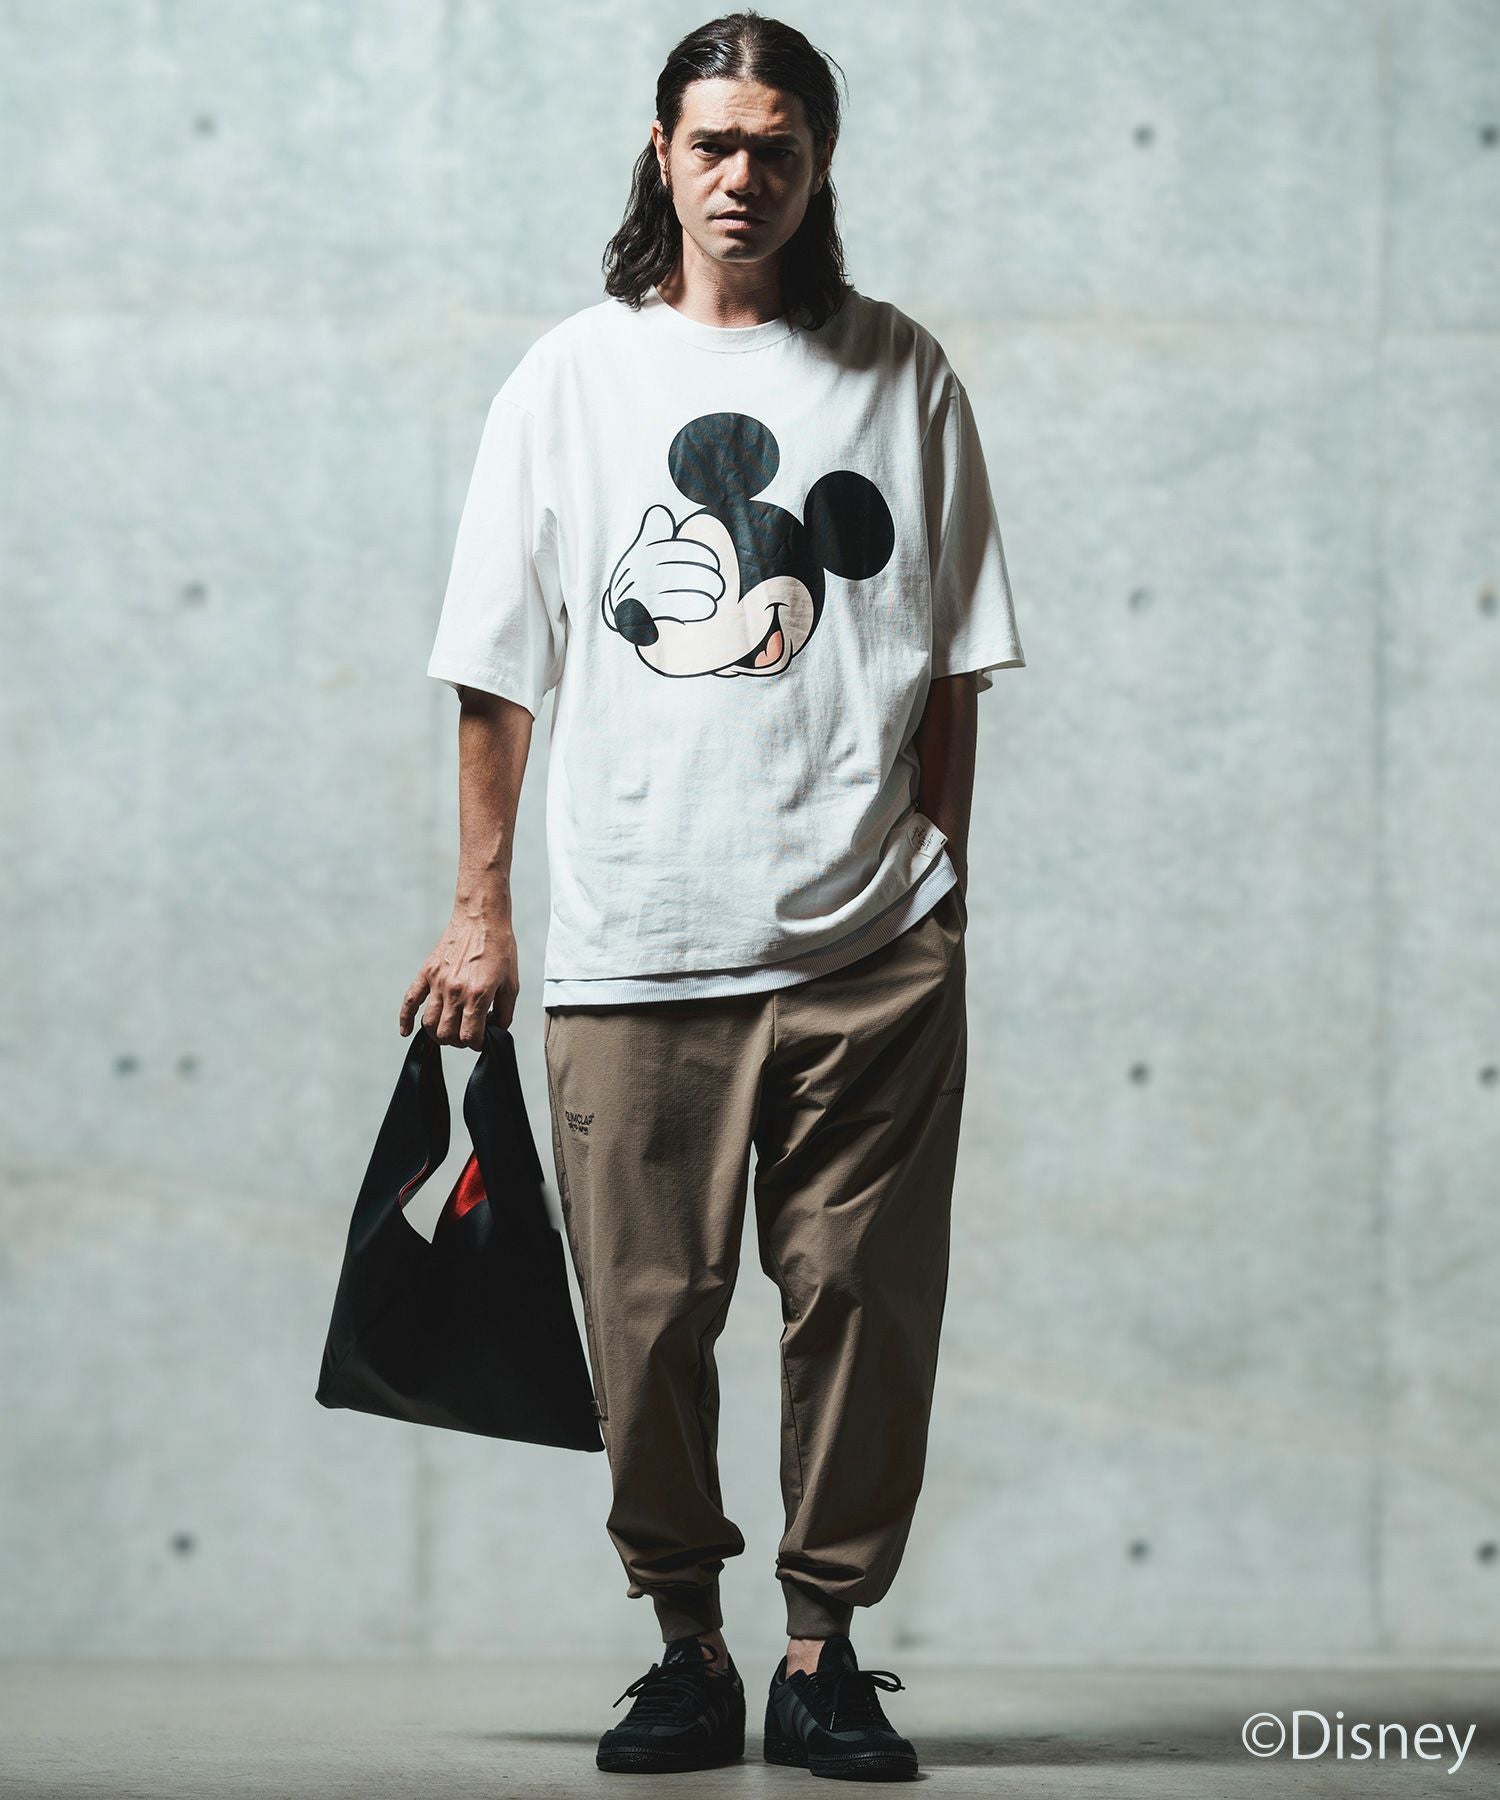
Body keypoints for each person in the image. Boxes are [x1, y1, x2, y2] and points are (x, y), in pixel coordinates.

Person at [399, 9, 1024, 1782]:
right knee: (650, 1317)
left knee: (862, 1308)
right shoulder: (570, 381)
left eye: (776, 147)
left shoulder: (902, 373)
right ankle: (686, 1642)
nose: (742, 176)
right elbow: (495, 670)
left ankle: (823, 1648)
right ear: (660, 151)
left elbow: (953, 664)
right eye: (713, 143)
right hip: (634, 941)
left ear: (819, 165)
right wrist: (480, 909)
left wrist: (940, 885)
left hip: (869, 946)